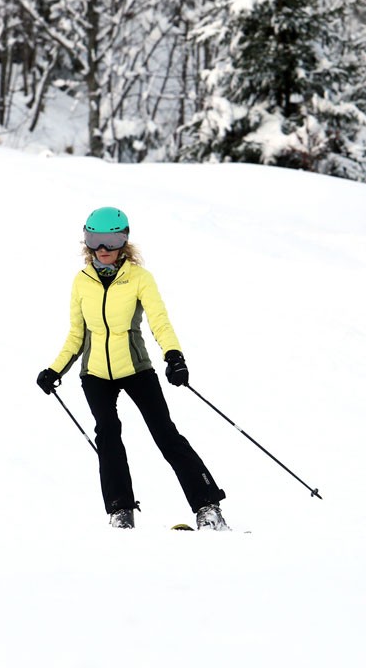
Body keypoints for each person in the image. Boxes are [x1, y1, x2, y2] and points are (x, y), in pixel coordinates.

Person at [36, 207, 229, 531]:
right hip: (95, 374)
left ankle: (208, 508)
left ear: (124, 241)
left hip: (136, 368)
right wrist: (55, 370)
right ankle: (120, 512)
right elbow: (76, 334)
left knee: (165, 435)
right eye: (95, 239)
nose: (103, 248)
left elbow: (159, 321)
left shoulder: (139, 279)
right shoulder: (81, 282)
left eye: (111, 240)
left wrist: (174, 356)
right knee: (107, 436)